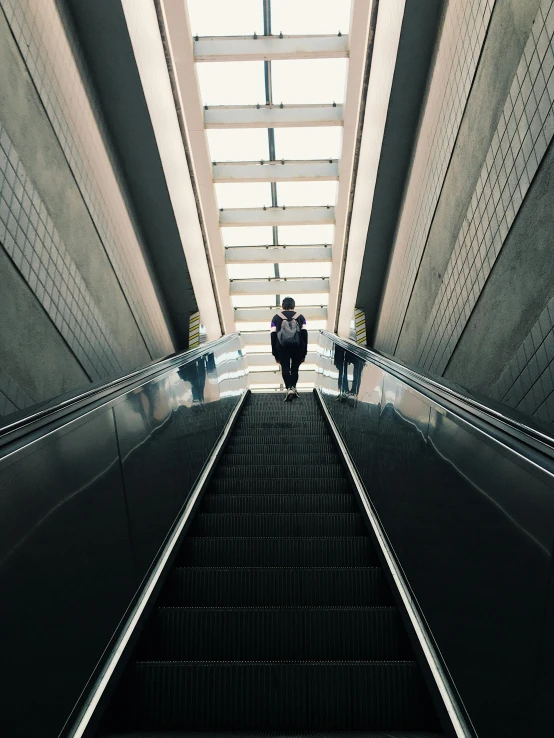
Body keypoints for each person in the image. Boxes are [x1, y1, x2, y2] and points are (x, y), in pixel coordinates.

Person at [270, 296, 308, 401]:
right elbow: (305, 335)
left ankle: (288, 388)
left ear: (282, 306)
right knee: (295, 368)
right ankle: (293, 387)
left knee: (285, 367)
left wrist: (275, 353)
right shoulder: (301, 317)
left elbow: (273, 335)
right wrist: (304, 353)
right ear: (294, 306)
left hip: (282, 347)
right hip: (298, 346)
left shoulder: (276, 318)